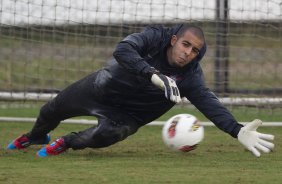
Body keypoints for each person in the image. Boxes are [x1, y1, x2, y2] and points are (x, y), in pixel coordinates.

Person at [7, 24, 274, 157]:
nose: (187, 53)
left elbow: (208, 103)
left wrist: (236, 129)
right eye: (185, 45)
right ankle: (36, 136)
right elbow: (123, 50)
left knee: (102, 137)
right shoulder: (154, 37)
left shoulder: (190, 76)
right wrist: (153, 74)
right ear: (174, 40)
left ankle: (66, 142)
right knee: (50, 110)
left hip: (128, 117)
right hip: (100, 88)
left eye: (194, 51)